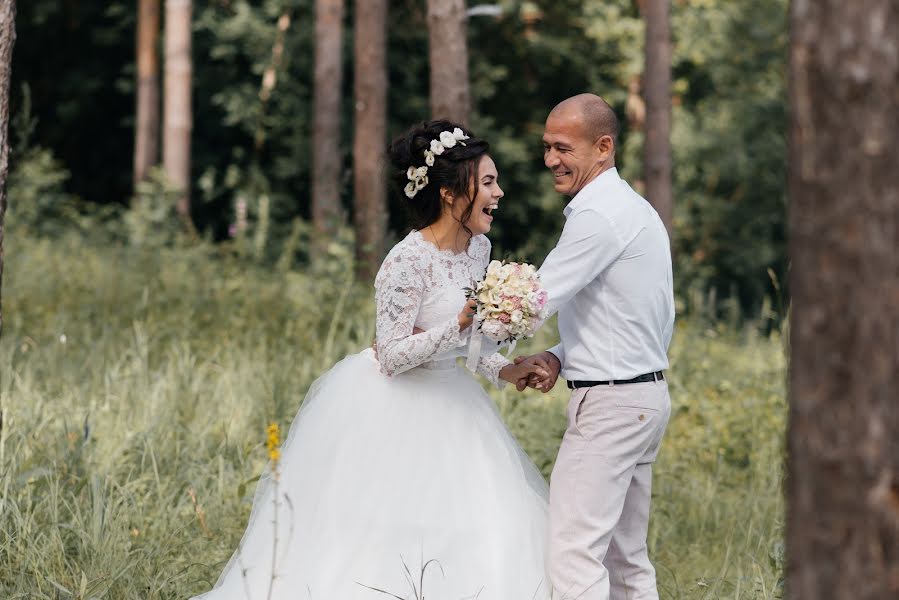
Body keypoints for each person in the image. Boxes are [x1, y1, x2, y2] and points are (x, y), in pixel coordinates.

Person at [191, 120, 550, 600]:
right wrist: (458, 325)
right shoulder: (406, 260)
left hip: (455, 406)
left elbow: (472, 345)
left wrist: (506, 368)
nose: (499, 193)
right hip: (395, 408)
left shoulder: (478, 248)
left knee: (481, 519)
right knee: (388, 531)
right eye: (488, 182)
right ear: (449, 192)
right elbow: (393, 356)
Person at [515, 94, 675, 600]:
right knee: (625, 561)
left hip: (610, 405)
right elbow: (626, 323)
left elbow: (531, 303)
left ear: (603, 146)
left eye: (562, 148)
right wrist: (560, 356)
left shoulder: (599, 216)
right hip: (640, 399)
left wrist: (454, 331)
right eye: (546, 147)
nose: (550, 161)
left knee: (573, 554)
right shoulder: (633, 209)